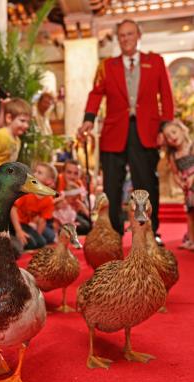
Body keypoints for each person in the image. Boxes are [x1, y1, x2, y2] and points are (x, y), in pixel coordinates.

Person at [78, 19, 174, 244]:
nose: (126, 39)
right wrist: (88, 119)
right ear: (118, 39)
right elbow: (95, 94)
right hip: (114, 133)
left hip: (146, 132)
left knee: (146, 184)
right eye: (122, 35)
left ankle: (149, 231)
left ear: (138, 35)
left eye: (130, 34)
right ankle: (114, 234)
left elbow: (166, 97)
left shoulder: (156, 62)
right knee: (112, 186)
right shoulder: (107, 66)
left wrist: (165, 127)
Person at [162, 120, 194, 251]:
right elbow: (175, 173)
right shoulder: (173, 156)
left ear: (182, 129)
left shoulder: (192, 147)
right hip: (188, 187)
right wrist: (180, 182)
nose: (172, 137)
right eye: (168, 137)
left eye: (174, 132)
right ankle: (191, 240)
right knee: (190, 213)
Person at [11, 162, 56, 250]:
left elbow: (42, 221)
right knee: (30, 243)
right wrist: (18, 231)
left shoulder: (48, 199)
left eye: (39, 173)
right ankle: (11, 237)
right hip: (13, 222)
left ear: (49, 181)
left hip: (25, 224)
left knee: (41, 242)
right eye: (35, 171)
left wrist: (37, 236)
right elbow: (12, 209)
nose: (34, 174)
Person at [56, 159, 92, 235]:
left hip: (73, 214)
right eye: (69, 172)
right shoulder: (57, 182)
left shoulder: (79, 183)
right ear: (63, 172)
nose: (72, 176)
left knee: (89, 224)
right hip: (59, 215)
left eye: (76, 173)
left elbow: (80, 205)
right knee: (85, 226)